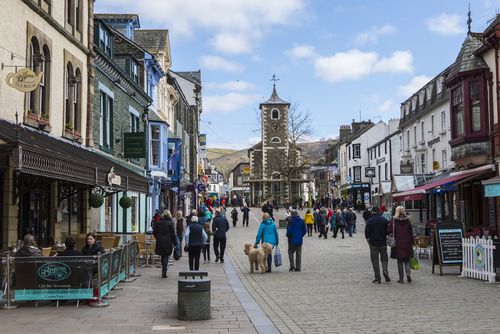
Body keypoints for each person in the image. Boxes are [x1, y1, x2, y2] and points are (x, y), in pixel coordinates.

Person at [387, 206, 414, 283]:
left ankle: (401, 278)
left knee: (400, 261)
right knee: (407, 259)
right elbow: (411, 232)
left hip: (398, 243)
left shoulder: (394, 220)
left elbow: (388, 230)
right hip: (407, 242)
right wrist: (412, 242)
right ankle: (408, 274)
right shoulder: (408, 220)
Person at [365, 207, 390, 283]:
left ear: (372, 212)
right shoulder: (384, 220)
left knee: (375, 260)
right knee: (384, 258)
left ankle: (377, 277)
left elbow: (367, 232)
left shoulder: (369, 221)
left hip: (373, 243)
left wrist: (368, 240)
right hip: (382, 242)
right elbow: (388, 231)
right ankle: (385, 270)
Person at [153, 209, 177, 278]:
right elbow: (173, 234)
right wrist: (174, 243)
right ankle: (164, 270)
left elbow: (154, 232)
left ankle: (163, 268)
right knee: (166, 256)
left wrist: (158, 237)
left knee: (162, 255)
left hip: (160, 241)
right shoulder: (170, 223)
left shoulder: (158, 222)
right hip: (168, 241)